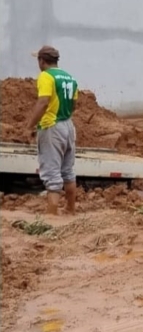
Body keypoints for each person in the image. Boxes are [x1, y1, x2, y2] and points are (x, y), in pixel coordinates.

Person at [26, 45, 79, 216]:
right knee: (68, 171)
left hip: (51, 127)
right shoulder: (70, 78)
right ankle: (70, 209)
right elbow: (74, 105)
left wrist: (29, 126)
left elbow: (43, 102)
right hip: (68, 126)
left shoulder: (46, 76)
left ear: (42, 60)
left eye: (38, 60)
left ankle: (51, 216)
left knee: (51, 174)